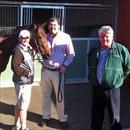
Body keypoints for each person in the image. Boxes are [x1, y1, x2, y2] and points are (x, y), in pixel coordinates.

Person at [88, 25, 130, 130]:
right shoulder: (94, 49)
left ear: (112, 37)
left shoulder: (121, 50)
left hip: (112, 89)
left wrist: (119, 79)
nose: (104, 39)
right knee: (96, 117)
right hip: (97, 88)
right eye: (102, 36)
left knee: (114, 118)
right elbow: (90, 63)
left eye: (107, 36)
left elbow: (127, 67)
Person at [39, 17, 75, 128]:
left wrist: (65, 65)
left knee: (60, 96)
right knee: (46, 95)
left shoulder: (65, 37)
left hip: (58, 72)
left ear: (58, 25)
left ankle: (62, 119)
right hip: (45, 70)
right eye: (50, 25)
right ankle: (46, 117)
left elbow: (71, 54)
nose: (52, 27)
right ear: (48, 26)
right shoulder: (45, 36)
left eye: (54, 25)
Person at [11, 30, 34, 130]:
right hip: (22, 82)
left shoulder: (26, 48)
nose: (25, 39)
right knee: (23, 106)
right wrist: (27, 73)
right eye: (23, 37)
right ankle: (23, 127)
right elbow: (15, 66)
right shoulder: (18, 50)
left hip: (24, 81)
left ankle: (16, 125)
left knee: (19, 103)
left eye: (27, 37)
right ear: (19, 38)